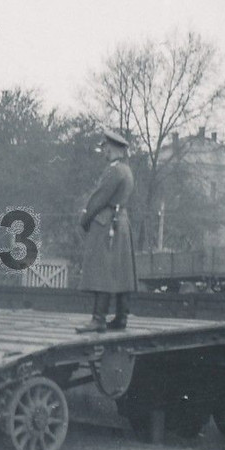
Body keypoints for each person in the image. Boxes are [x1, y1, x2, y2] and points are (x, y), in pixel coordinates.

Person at [76, 128, 137, 333]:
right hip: (122, 223)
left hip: (106, 223)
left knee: (102, 271)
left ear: (112, 149)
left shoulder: (113, 170)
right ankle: (121, 318)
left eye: (106, 148)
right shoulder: (127, 170)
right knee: (121, 272)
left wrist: (85, 218)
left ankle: (98, 319)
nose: (104, 152)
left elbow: (99, 198)